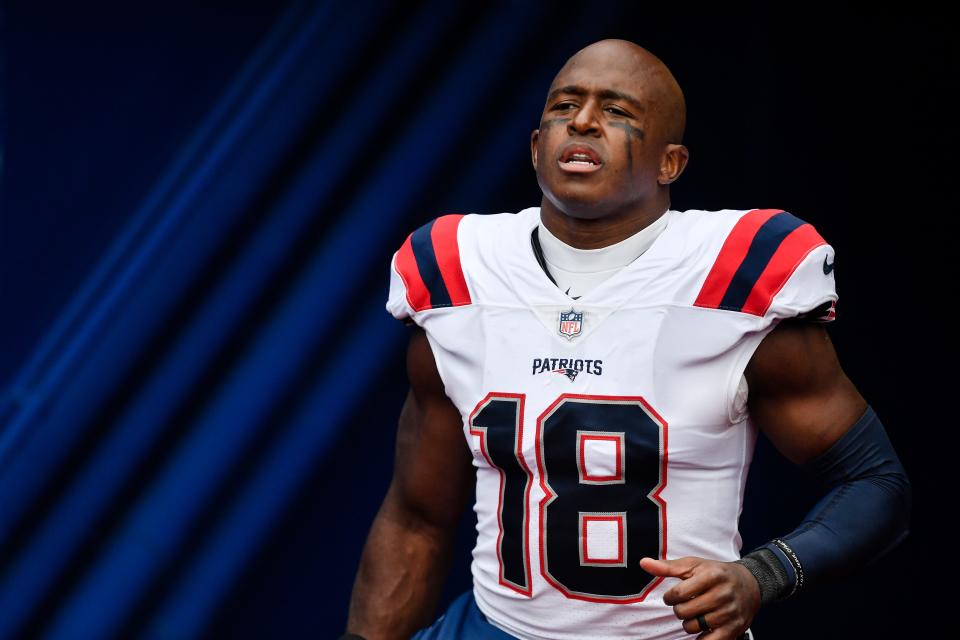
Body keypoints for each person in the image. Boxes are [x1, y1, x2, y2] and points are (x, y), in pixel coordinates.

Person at [343, 39, 911, 640]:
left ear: (670, 164)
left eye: (617, 111)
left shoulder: (733, 278)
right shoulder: (458, 273)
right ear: (537, 148)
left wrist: (761, 576)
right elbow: (417, 517)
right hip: (495, 628)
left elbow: (877, 484)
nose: (583, 121)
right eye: (565, 106)